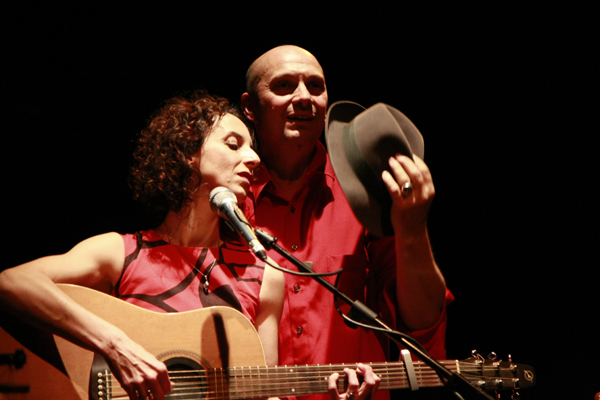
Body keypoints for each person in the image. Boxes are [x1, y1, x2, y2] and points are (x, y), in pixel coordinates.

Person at [0, 91, 277, 400]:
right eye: (234, 144)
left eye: (253, 149)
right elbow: (10, 282)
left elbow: (265, 389)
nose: (254, 159)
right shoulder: (122, 252)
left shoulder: (262, 273)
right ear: (188, 152)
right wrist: (115, 346)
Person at [241, 45, 453, 400]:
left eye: (315, 86)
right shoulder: (227, 202)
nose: (304, 97)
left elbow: (423, 328)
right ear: (249, 107)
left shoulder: (366, 198)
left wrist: (413, 230)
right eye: (284, 86)